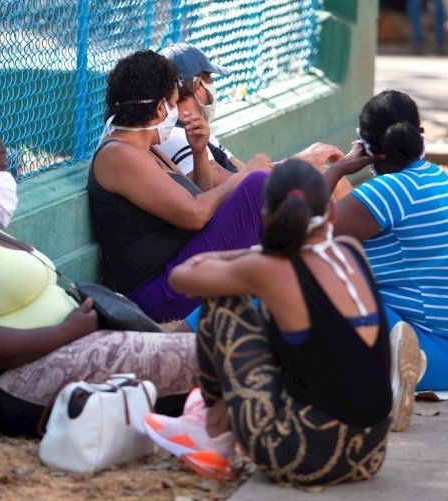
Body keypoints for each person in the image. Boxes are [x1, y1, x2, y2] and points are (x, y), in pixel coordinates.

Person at [0, 113, 200, 437]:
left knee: (218, 333)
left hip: (61, 353)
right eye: (0, 165)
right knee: (208, 359)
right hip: (9, 383)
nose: (8, 177)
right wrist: (66, 332)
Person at [144, 160, 400, 484]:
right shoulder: (350, 250)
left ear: (267, 220)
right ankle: (212, 427)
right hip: (368, 455)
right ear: (332, 212)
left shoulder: (271, 269)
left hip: (301, 458)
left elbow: (184, 277)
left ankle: (212, 433)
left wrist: (251, 253)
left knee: (223, 299)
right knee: (277, 316)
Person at [89, 50, 342, 323]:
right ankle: (325, 283)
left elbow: (200, 199)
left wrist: (199, 153)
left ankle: (313, 286)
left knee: (269, 191)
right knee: (257, 185)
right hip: (159, 292)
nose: (176, 113)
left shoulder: (146, 148)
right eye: (174, 104)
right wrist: (243, 175)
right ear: (160, 108)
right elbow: (195, 215)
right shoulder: (119, 154)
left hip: (185, 269)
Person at [323, 90, 448, 393]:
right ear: (420, 135)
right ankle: (392, 374)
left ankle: (386, 372)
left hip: (425, 351)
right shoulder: (439, 181)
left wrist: (336, 169)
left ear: (364, 146)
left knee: (318, 276)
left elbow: (295, 236)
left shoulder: (389, 191)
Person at [157, 42, 351, 193]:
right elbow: (233, 184)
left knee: (325, 175)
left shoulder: (198, 127)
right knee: (321, 178)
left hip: (247, 201)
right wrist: (301, 160)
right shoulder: (176, 135)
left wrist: (304, 159)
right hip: (237, 220)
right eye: (210, 80)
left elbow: (245, 171)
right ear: (199, 86)